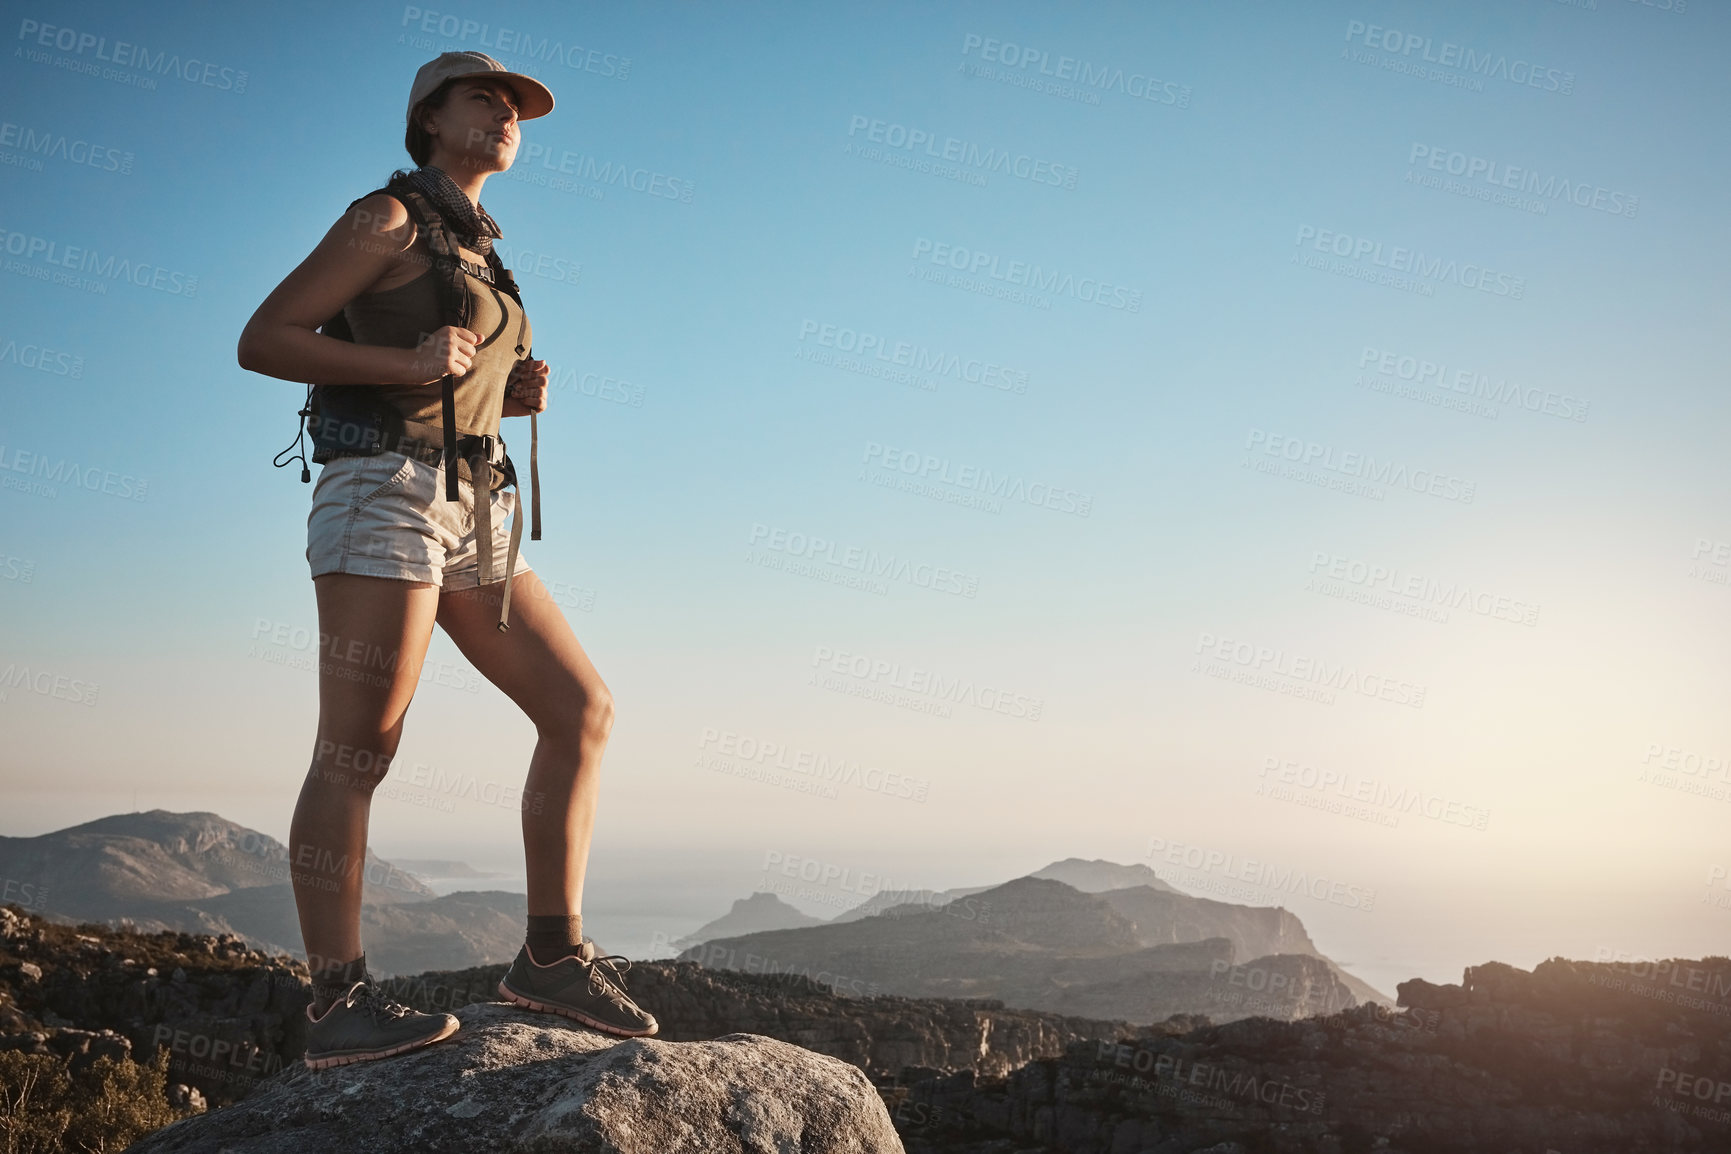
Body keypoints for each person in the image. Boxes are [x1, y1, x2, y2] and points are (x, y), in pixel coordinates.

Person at [237, 51, 656, 1070]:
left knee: (581, 707)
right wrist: (407, 365)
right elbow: (265, 337)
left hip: (478, 502)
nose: (508, 114)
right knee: (357, 749)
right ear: (427, 119)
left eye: (517, 107)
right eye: (486, 97)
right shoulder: (382, 219)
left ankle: (550, 956)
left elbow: (452, 373)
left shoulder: (481, 249)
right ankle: (337, 1001)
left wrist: (503, 397)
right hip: (384, 492)